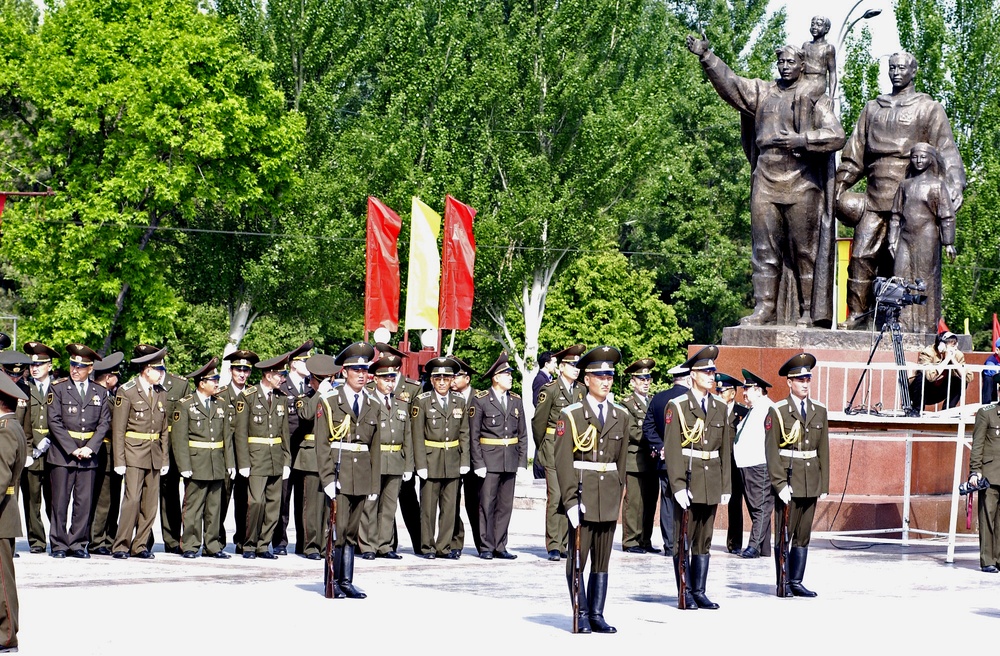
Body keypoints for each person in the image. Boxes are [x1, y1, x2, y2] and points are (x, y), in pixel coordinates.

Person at [687, 35, 845, 327]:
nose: (785, 67)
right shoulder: (763, 92)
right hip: (766, 177)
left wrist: (802, 139)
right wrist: (707, 57)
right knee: (764, 250)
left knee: (804, 251)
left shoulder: (814, 97)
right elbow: (731, 84)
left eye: (791, 62)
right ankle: (765, 309)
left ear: (802, 66)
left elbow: (836, 135)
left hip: (802, 181)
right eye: (781, 62)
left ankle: (808, 311)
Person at [836, 52, 966, 327]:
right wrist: (840, 184)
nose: (896, 72)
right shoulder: (873, 108)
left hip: (911, 201)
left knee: (902, 265)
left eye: (902, 68)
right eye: (892, 67)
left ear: (913, 71)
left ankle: (903, 319)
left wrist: (954, 185)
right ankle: (858, 314)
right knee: (861, 255)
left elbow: (947, 152)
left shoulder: (928, 109)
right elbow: (855, 153)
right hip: (875, 194)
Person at [554, 346, 629, 634]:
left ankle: (597, 613)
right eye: (599, 376)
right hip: (582, 496)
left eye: (609, 375)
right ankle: (581, 611)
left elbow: (620, 464)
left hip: (608, 497)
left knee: (601, 559)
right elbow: (563, 463)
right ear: (587, 379)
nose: (606, 381)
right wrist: (571, 501)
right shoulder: (571, 415)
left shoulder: (620, 415)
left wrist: (618, 493)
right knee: (578, 559)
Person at [664, 345, 732, 609]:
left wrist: (725, 484)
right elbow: (672, 449)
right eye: (705, 371)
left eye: (712, 371)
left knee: (704, 539)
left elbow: (725, 448)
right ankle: (685, 590)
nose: (711, 376)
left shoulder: (719, 406)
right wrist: (678, 485)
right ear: (692, 374)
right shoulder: (678, 406)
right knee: (684, 538)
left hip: (711, 479)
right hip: (689, 480)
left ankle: (699, 590)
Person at [315, 342, 381, 599]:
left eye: (365, 370)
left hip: (362, 475)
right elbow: (322, 445)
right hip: (339, 473)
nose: (362, 375)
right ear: (345, 373)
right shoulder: (330, 401)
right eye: (356, 370)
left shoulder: (373, 403)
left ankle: (347, 581)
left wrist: (374, 484)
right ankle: (332, 581)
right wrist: (327, 479)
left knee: (352, 532)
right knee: (337, 529)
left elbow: (375, 447)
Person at [764, 353, 829, 597]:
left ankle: (796, 580)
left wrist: (824, 481)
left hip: (810, 478)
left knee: (803, 535)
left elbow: (824, 449)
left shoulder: (819, 410)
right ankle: (783, 582)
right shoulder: (778, 411)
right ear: (789, 382)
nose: (804, 383)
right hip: (788, 480)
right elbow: (772, 451)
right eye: (799, 379)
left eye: (807, 378)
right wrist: (779, 483)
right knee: (784, 534)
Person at [46, 344, 111, 559]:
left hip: (89, 455)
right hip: (63, 454)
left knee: (84, 502)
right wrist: (73, 449)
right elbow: (54, 422)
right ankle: (59, 544)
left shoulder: (100, 392)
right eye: (73, 365)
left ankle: (77, 543)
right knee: (60, 502)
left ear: (90, 369)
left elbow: (104, 423)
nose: (75, 369)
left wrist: (90, 448)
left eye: (81, 367)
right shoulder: (58, 388)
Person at [888, 143, 957, 334]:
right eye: (915, 157)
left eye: (923, 157)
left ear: (930, 159)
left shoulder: (937, 185)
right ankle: (902, 322)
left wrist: (949, 242)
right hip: (905, 237)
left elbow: (946, 216)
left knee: (924, 279)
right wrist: (892, 239)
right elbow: (895, 214)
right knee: (900, 277)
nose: (918, 161)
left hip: (927, 237)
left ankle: (925, 325)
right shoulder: (904, 185)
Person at [112, 347, 171, 559]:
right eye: (159, 369)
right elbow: (118, 429)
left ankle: (140, 545)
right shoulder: (127, 391)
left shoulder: (161, 392)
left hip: (154, 453)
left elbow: (164, 429)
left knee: (150, 503)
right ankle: (121, 545)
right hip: (133, 452)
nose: (162, 373)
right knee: (132, 500)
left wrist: (164, 458)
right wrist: (119, 460)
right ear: (147, 370)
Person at [130, 345, 189, 555]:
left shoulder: (180, 384)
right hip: (144, 448)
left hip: (170, 447)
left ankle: (172, 540)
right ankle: (143, 540)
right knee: (141, 497)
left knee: (170, 495)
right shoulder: (135, 387)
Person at [174, 358, 234, 558]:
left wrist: (230, 463)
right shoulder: (185, 405)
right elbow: (179, 438)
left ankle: (213, 545)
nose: (217, 383)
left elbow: (227, 437)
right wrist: (184, 465)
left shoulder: (220, 404)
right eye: (214, 379)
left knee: (214, 508)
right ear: (202, 383)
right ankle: (190, 545)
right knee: (193, 507)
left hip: (216, 462)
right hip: (196, 462)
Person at [469, 351, 527, 560]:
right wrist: (478, 463)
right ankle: (486, 546)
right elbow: (473, 435)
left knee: (505, 506)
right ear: (496, 378)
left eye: (510, 374)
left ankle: (500, 545)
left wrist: (521, 462)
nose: (510, 378)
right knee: (487, 504)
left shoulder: (516, 401)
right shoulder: (481, 400)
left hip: (509, 459)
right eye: (507, 374)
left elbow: (522, 434)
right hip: (489, 460)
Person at [411, 357, 470, 559]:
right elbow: (417, 435)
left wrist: (464, 461)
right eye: (438, 378)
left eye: (446, 378)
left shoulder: (459, 401)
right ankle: (427, 547)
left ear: (453, 379)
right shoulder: (422, 401)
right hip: (430, 459)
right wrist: (420, 464)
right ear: (432, 380)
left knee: (450, 507)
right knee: (427, 508)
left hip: (452, 459)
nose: (443, 382)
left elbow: (464, 433)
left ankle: (443, 547)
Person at [234, 352, 291, 559]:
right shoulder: (248, 397)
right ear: (268, 374)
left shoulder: (281, 398)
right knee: (256, 502)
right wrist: (243, 462)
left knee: (273, 504)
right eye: (279, 375)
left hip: (276, 457)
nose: (282, 378)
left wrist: (287, 460)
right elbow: (240, 433)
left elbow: (284, 433)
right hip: (255, 457)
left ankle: (263, 544)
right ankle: (249, 544)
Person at [532, 344, 586, 561]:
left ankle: (565, 542)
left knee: (569, 496)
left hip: (574, 449)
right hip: (553, 448)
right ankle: (554, 544)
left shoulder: (581, 390)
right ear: (562, 367)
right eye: (572, 365)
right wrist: (544, 446)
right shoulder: (550, 389)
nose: (576, 369)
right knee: (555, 496)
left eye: (578, 365)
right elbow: (539, 423)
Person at [359, 353, 413, 560]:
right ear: (376, 379)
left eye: (392, 380)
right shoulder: (368, 402)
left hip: (396, 459)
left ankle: (385, 545)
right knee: (370, 503)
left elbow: (407, 435)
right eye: (386, 380)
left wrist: (408, 465)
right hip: (375, 459)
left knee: (390, 506)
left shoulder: (400, 404)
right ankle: (368, 546)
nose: (390, 384)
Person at [372, 342, 422, 556]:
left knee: (407, 504)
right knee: (376, 503)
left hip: (400, 456)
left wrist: (411, 462)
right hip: (380, 455)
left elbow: (413, 428)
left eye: (388, 358)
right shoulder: (371, 389)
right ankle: (384, 544)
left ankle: (419, 543)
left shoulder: (412, 387)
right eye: (381, 358)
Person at [292, 354, 337, 560]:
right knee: (311, 506)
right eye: (321, 381)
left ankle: (324, 544)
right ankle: (310, 546)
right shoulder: (304, 398)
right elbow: (306, 415)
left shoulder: (335, 398)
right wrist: (320, 393)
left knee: (328, 506)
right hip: (309, 456)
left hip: (330, 454)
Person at [642, 364, 690, 558]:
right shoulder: (691, 400)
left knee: (668, 502)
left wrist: (661, 447)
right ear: (688, 379)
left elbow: (648, 427)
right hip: (689, 460)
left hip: (665, 461)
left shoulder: (659, 398)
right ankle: (687, 542)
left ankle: (671, 545)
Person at [217, 349, 259, 552]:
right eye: (238, 369)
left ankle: (242, 540)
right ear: (231, 370)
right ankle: (217, 540)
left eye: (246, 370)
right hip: (225, 454)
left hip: (246, 455)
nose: (242, 374)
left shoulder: (253, 394)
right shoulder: (221, 395)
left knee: (245, 500)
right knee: (221, 499)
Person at [274, 340, 313, 556]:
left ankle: (304, 542)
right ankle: (280, 541)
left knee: (305, 499)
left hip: (306, 449)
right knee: (283, 497)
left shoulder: (311, 387)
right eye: (304, 361)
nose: (308, 365)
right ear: (293, 364)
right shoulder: (281, 386)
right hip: (286, 448)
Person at [22, 342, 59, 555]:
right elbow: (21, 420)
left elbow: (65, 419)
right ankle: (37, 541)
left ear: (50, 366)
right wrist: (35, 444)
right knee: (31, 500)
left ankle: (57, 539)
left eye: (40, 364)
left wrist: (49, 440)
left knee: (55, 501)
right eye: (32, 365)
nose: (34, 368)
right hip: (32, 452)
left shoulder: (60, 387)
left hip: (55, 451)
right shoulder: (24, 388)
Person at [0, 370, 28, 653]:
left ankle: (7, 636)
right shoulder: (9, 427)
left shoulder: (6, 431)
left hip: (1, 516)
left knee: (2, 583)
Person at [734, 369, 774, 559]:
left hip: (759, 465)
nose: (744, 393)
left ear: (758, 390)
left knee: (761, 508)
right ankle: (764, 548)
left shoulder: (768, 408)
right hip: (747, 465)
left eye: (747, 389)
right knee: (755, 507)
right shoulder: (755, 409)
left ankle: (754, 546)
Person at [620, 358, 659, 554]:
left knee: (650, 501)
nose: (646, 382)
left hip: (652, 460)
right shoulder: (627, 404)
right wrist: (655, 440)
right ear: (632, 382)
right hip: (635, 458)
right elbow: (633, 431)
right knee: (634, 502)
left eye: (648, 378)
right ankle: (630, 540)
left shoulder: (653, 402)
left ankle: (645, 539)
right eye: (641, 378)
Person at [89, 352, 124, 556]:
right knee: (103, 501)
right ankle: (97, 540)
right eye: (115, 376)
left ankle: (109, 537)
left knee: (112, 499)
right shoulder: (99, 396)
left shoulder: (106, 396)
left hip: (112, 454)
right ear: (108, 378)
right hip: (104, 452)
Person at [449, 356, 482, 556]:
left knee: (475, 503)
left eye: (457, 376)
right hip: (452, 456)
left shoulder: (479, 397)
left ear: (467, 378)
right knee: (451, 501)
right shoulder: (447, 397)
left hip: (474, 458)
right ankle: (454, 543)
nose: (452, 380)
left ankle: (482, 544)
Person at [716, 373, 748, 556]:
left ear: (733, 393)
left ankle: (734, 542)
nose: (719, 393)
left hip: (735, 464)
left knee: (735, 502)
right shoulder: (712, 410)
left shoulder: (742, 413)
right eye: (718, 390)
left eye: (724, 390)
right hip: (715, 461)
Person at [969, 402, 1000, 572]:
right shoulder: (986, 413)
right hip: (990, 475)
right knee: (987, 517)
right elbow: (978, 443)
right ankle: (988, 560)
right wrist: (975, 470)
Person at [908, 331, 972, 411]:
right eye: (952, 345)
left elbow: (968, 377)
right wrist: (946, 359)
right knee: (922, 376)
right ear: (942, 345)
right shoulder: (928, 353)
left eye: (956, 344)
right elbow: (930, 377)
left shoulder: (957, 354)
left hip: (939, 391)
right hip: (921, 392)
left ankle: (948, 410)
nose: (955, 348)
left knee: (959, 380)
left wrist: (953, 360)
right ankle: (917, 410)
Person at [982, 339, 1000, 405]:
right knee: (988, 379)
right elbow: (992, 373)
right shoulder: (991, 361)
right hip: (993, 384)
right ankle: (986, 405)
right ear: (997, 350)